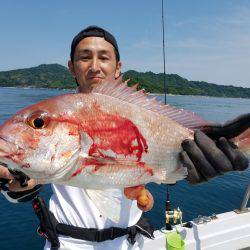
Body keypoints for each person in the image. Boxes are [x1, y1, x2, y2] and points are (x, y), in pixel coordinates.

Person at [0, 26, 248, 250]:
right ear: (71, 66)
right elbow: (22, 186)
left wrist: (198, 164)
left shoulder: (138, 113)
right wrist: (14, 177)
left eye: (104, 57)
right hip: (68, 243)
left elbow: (144, 189)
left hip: (130, 243)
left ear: (118, 67)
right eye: (85, 57)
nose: (95, 66)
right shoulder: (62, 112)